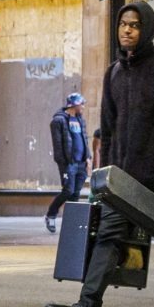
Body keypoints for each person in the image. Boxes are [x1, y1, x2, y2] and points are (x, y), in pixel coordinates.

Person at [43, 1, 154, 307]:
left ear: (146, 29)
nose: (127, 30)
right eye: (122, 24)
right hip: (122, 180)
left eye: (134, 25)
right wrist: (103, 177)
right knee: (109, 236)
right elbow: (108, 129)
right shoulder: (114, 73)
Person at [44, 92, 90, 234]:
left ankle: (71, 222)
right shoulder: (58, 121)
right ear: (74, 104)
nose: (83, 107)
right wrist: (63, 163)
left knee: (75, 193)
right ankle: (51, 214)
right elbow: (58, 144)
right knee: (68, 190)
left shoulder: (80, 119)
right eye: (81, 104)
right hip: (68, 164)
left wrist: (87, 158)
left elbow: (84, 139)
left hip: (81, 163)